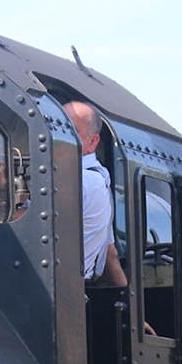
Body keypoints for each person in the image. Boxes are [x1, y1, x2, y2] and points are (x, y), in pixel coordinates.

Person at [65, 101, 126, 287]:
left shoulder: (85, 181)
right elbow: (110, 253)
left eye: (70, 130)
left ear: (92, 142)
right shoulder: (100, 180)